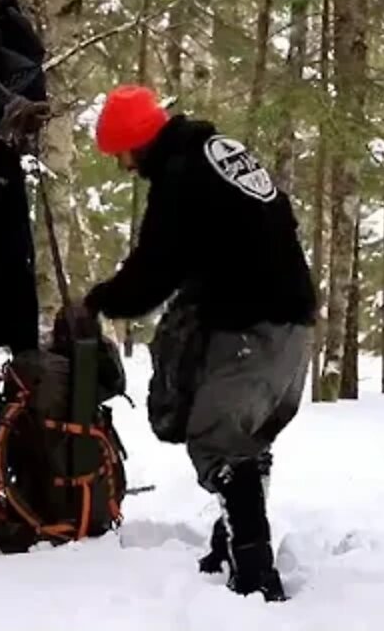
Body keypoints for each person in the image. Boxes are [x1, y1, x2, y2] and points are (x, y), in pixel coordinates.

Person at [80, 85, 317, 602]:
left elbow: (154, 269)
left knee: (217, 440)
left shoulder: (182, 175)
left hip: (256, 328)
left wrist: (99, 301)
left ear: (137, 139)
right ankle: (230, 546)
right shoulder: (219, 154)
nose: (122, 166)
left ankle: (256, 577)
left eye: (119, 153)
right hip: (292, 326)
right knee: (247, 442)